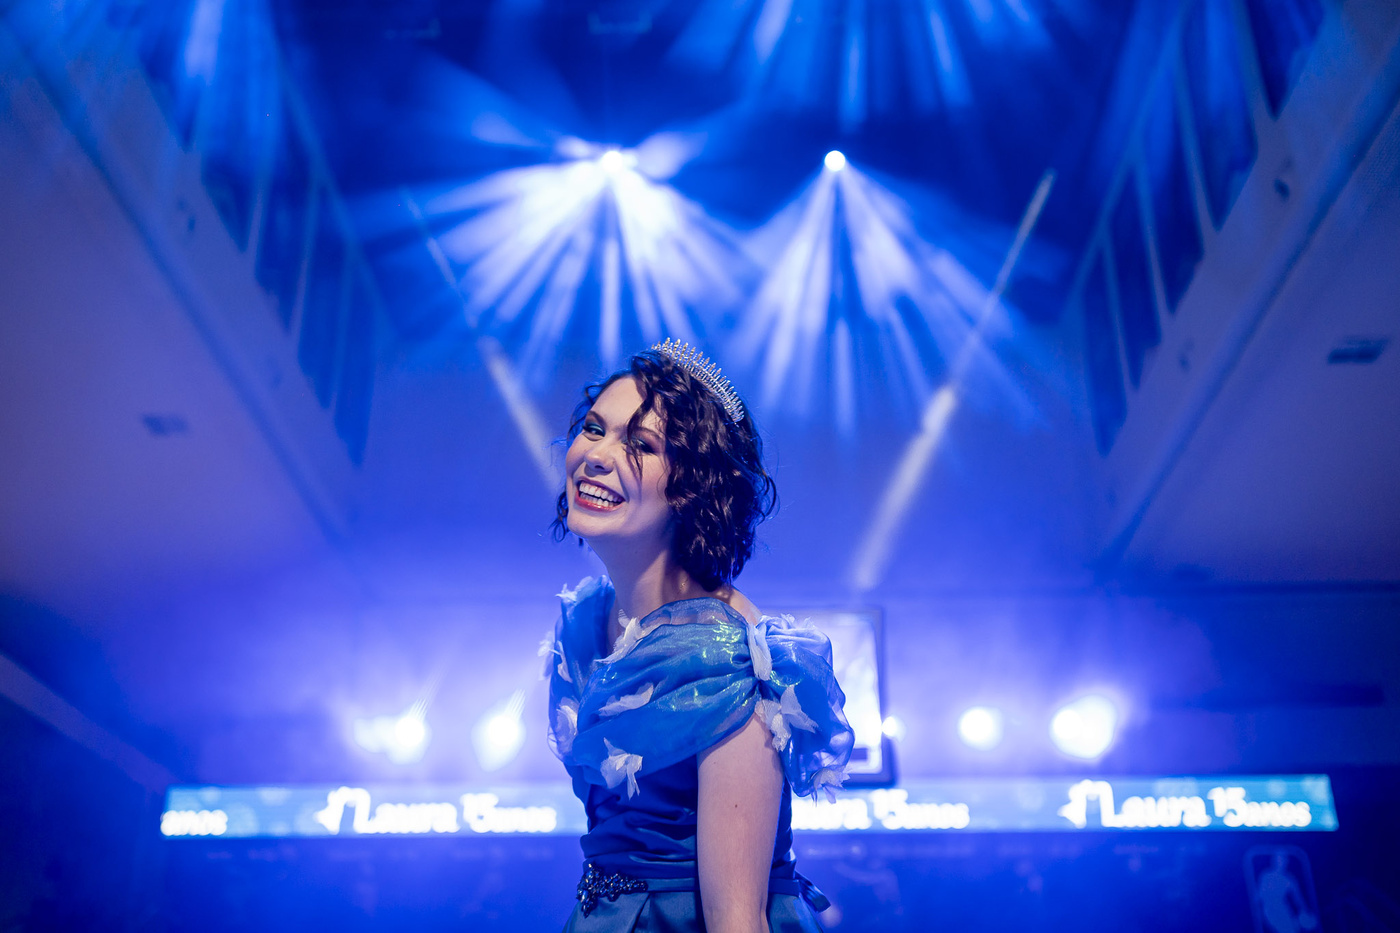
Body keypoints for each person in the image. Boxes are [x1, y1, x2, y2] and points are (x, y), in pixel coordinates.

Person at [545, 340, 854, 933]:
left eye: (641, 445)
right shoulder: (587, 622)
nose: (597, 456)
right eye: (594, 429)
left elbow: (736, 918)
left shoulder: (727, 661)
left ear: (693, 488)